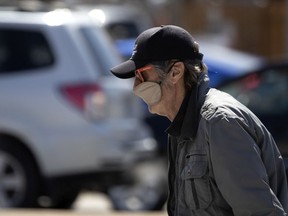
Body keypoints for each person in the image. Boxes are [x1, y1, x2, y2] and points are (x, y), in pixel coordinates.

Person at [110, 25, 288, 215]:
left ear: (176, 72)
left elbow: (259, 212)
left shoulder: (219, 123)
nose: (136, 85)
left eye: (141, 74)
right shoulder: (183, 125)